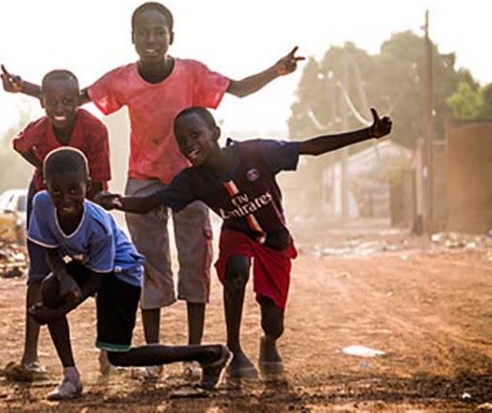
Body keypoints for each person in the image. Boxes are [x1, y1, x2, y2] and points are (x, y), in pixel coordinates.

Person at [0, 1, 304, 380]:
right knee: (147, 265)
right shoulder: (122, 78)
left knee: (195, 261)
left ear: (171, 36)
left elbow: (238, 89)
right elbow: (72, 99)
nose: (151, 38)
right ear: (132, 38)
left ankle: (195, 354)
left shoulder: (192, 73)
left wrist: (276, 71)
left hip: (192, 180)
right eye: (143, 32)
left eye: (159, 31)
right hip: (143, 176)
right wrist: (23, 87)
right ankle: (154, 355)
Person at [96, 106, 393, 379]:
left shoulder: (257, 153)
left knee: (273, 321)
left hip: (275, 241)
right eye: (182, 140)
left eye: (195, 135)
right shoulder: (192, 180)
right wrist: (118, 202)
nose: (188, 145)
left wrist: (368, 133)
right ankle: (234, 349)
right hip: (238, 234)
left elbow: (310, 148)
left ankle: (268, 341)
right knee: (236, 269)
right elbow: (151, 202)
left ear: (215, 133)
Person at [27, 147, 231, 400]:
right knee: (50, 288)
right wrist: (64, 277)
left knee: (119, 355)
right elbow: (51, 251)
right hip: (92, 264)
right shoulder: (42, 204)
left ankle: (209, 354)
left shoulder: (98, 224)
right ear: (45, 186)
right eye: (56, 191)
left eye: (73, 190)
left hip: (121, 271)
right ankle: (71, 377)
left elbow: (98, 280)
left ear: (87, 186)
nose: (65, 199)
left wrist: (55, 313)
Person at [7, 69, 111, 379]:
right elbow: (19, 144)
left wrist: (83, 216)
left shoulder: (94, 129)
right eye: (51, 101)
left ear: (78, 101)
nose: (59, 108)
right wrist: (44, 167)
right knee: (38, 273)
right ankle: (30, 355)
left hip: (87, 199)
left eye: (67, 101)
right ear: (41, 102)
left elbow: (99, 178)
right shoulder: (38, 131)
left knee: (100, 271)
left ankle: (108, 348)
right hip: (43, 196)